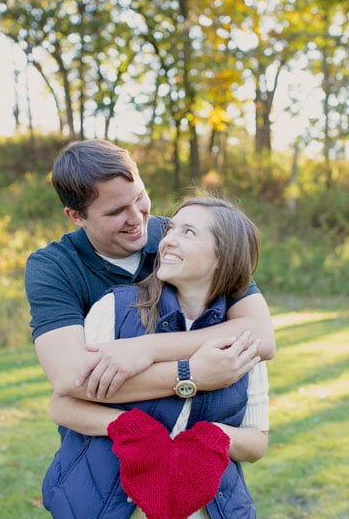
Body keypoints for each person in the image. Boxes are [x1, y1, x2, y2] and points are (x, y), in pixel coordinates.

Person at [44, 196, 270, 519]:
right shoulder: (116, 310)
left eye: (189, 232)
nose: (167, 240)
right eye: (170, 229)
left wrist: (212, 439)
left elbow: (256, 442)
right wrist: (128, 428)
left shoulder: (242, 337)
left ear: (224, 255)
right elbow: (62, 404)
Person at [25, 139, 275, 410]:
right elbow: (72, 376)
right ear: (76, 216)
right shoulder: (54, 266)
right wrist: (189, 373)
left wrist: (148, 348)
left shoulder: (180, 240)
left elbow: (260, 334)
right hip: (106, 440)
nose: (136, 217)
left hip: (198, 429)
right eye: (116, 211)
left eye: (139, 197)